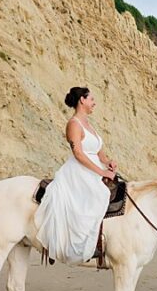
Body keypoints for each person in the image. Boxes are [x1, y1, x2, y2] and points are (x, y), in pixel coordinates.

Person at [34, 86, 119, 266]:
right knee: (99, 195)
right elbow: (79, 154)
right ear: (82, 100)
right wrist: (102, 172)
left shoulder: (89, 125)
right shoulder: (74, 124)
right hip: (78, 171)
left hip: (93, 169)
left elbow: (99, 153)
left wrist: (108, 163)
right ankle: (84, 243)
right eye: (92, 99)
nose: (94, 103)